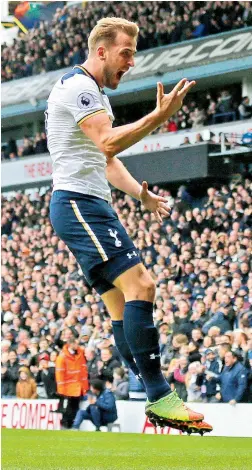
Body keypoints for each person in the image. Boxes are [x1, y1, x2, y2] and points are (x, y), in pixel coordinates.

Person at [48, 17, 210, 434]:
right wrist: (159, 115)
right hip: (79, 204)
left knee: (121, 307)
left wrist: (140, 193)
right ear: (101, 51)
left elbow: (106, 160)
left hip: (82, 204)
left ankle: (153, 393)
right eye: (126, 53)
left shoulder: (91, 91)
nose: (131, 62)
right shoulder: (80, 87)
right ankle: (160, 396)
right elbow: (108, 143)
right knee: (143, 286)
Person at [55, 338, 89, 428]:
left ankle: (69, 424)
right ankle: (65, 424)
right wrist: (61, 390)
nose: (77, 346)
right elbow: (60, 374)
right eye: (75, 344)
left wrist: (85, 387)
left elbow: (83, 371)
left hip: (78, 387)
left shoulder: (79, 354)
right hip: (68, 387)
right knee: (68, 408)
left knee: (74, 407)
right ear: (71, 344)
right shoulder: (62, 357)